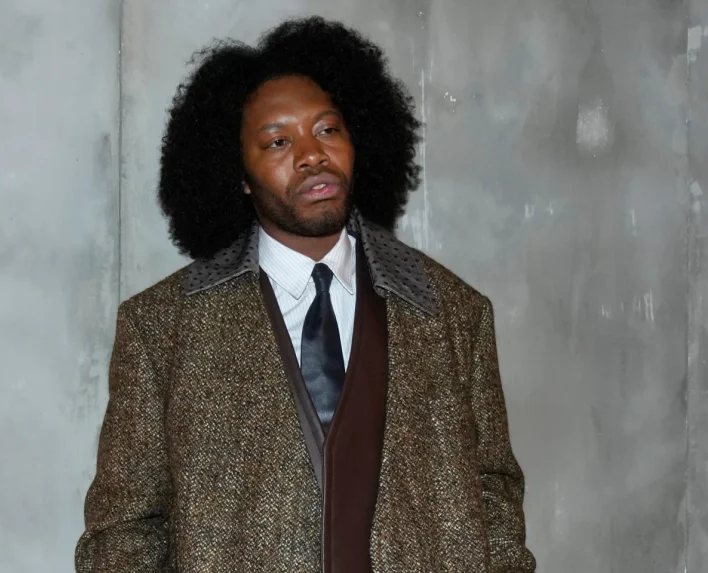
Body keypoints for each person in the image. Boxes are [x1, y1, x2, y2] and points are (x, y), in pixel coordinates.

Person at [75, 16, 535, 573]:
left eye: (328, 130)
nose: (312, 154)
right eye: (278, 141)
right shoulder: (163, 329)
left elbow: (494, 502)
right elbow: (123, 533)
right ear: (238, 174)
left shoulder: (453, 312)